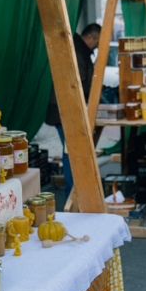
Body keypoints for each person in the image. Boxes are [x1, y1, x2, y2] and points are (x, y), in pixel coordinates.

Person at [45, 22, 100, 203]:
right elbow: (78, 84)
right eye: (98, 41)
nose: (98, 46)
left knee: (71, 150)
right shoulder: (77, 51)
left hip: (67, 108)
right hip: (66, 109)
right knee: (71, 150)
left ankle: (74, 191)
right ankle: (72, 193)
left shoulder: (78, 48)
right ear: (90, 37)